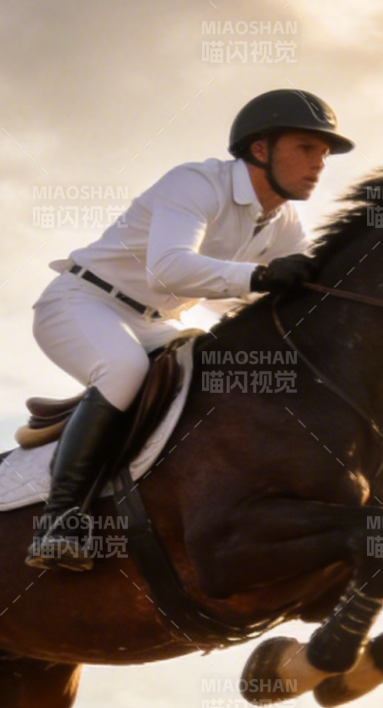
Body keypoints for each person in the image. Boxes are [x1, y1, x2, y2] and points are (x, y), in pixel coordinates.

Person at [26, 89, 355, 568]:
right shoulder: (196, 182)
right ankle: (60, 520)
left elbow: (295, 290)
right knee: (122, 370)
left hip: (157, 322)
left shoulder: (284, 221)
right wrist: (260, 277)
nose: (320, 163)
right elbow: (170, 268)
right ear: (260, 149)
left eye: (324, 153)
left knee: (218, 366)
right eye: (307, 148)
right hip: (83, 301)